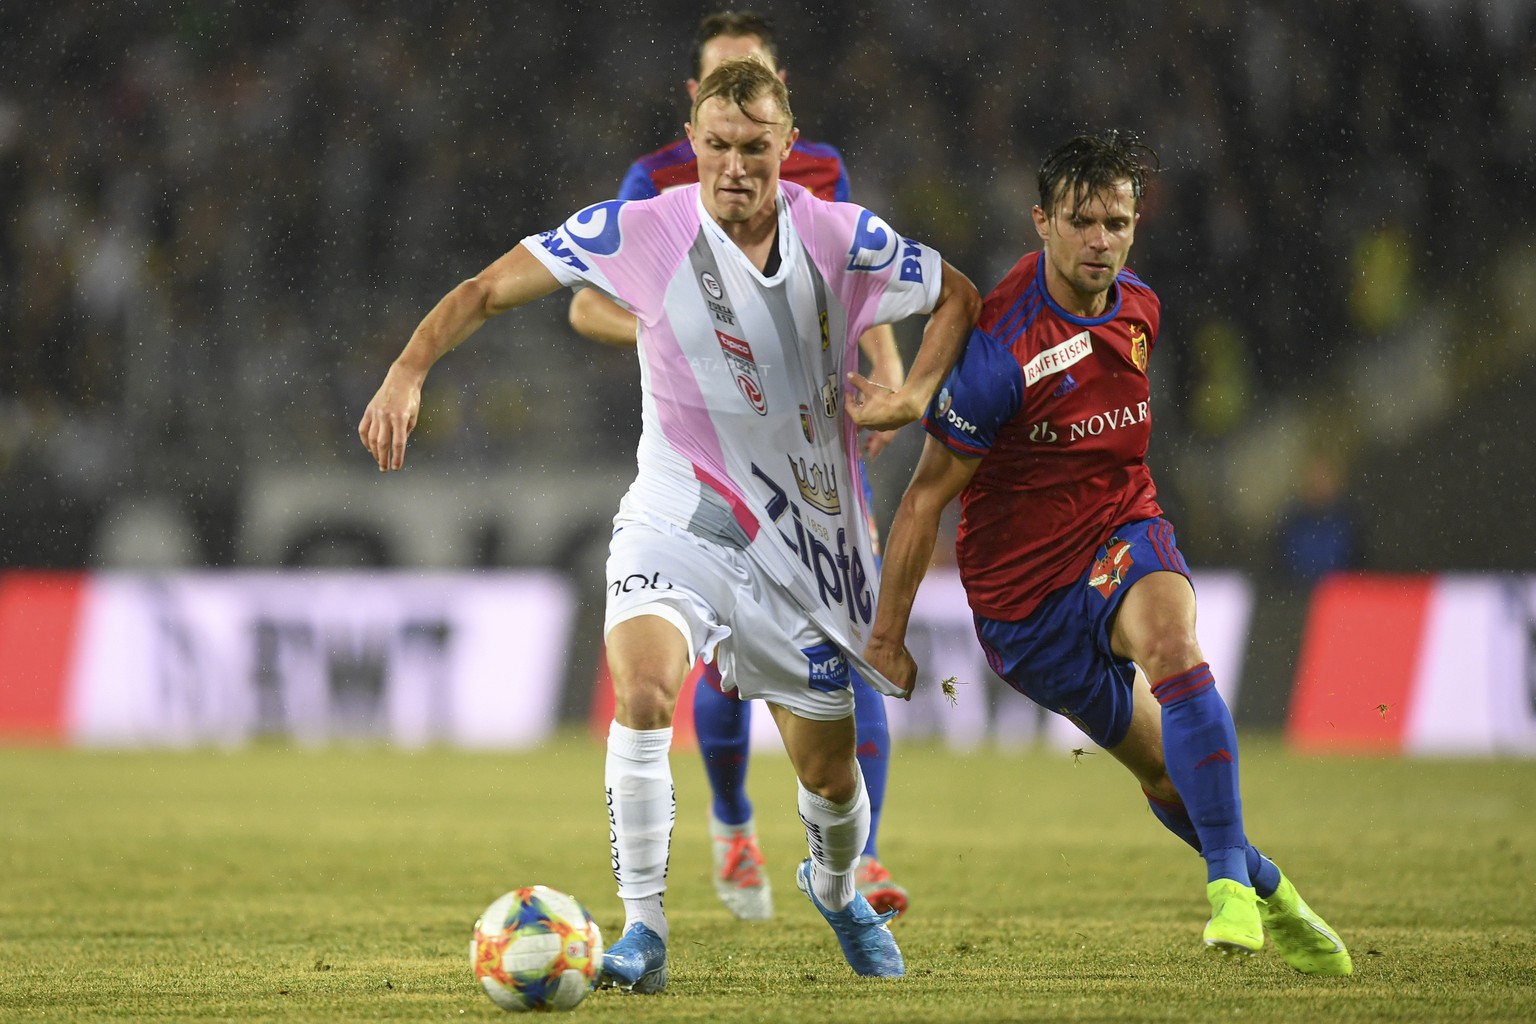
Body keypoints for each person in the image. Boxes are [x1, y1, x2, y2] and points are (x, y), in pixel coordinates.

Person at [359, 57, 980, 989]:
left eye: (756, 149)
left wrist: (912, 394)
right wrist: (409, 368)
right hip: (678, 513)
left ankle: (837, 886)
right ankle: (641, 931)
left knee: (830, 778)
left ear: (787, 145)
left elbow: (960, 295)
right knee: (644, 694)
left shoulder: (840, 237)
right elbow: (489, 289)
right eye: (719, 146)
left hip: (807, 546)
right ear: (692, 141)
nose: (736, 166)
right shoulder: (640, 230)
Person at [861, 131, 1353, 976]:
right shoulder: (997, 357)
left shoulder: (1142, 309)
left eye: (1117, 222)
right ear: (1042, 223)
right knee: (1167, 773)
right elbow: (925, 499)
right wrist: (886, 636)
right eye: (1082, 222)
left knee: (1174, 647)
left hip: (1121, 526)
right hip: (1024, 601)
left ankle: (1228, 888)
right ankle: (1270, 884)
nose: (1101, 241)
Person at [569, 10, 910, 923]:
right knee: (722, 651)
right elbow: (585, 309)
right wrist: (673, 318)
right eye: (722, 82)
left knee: (853, 633)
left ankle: (861, 864)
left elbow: (856, 278)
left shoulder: (818, 172)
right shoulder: (658, 185)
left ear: (780, 94)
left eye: (753, 81)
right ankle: (730, 822)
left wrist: (888, 371)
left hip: (813, 444)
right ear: (693, 99)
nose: (737, 112)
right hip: (712, 455)